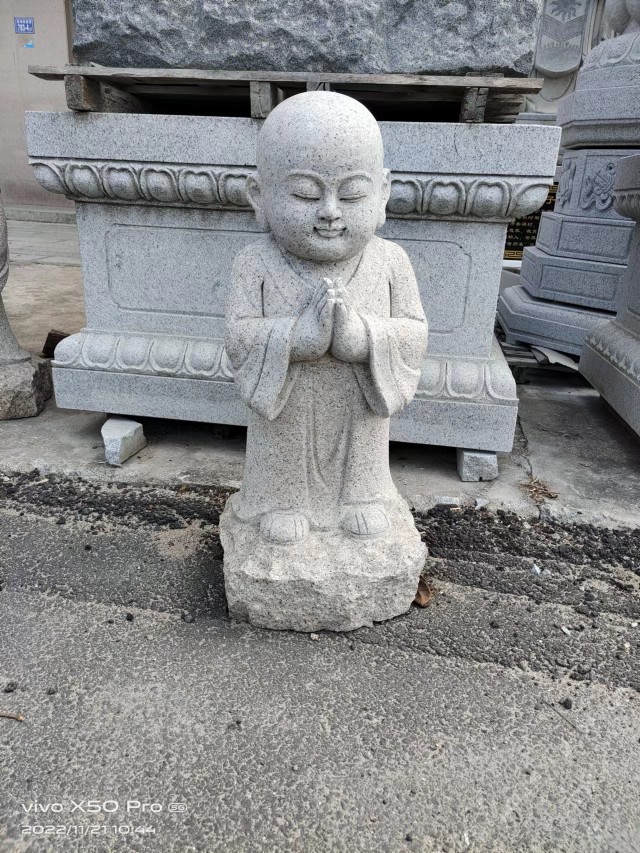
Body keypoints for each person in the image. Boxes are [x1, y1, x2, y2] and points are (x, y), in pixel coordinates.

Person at [224, 91, 428, 545]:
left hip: (359, 406)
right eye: (305, 193)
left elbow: (414, 332)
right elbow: (238, 336)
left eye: (352, 193)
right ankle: (281, 500)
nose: (330, 211)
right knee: (283, 435)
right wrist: (297, 339)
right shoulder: (254, 262)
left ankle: (362, 495)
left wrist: (363, 337)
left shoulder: (391, 261)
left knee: (363, 439)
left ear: (383, 194)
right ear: (259, 196)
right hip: (286, 407)